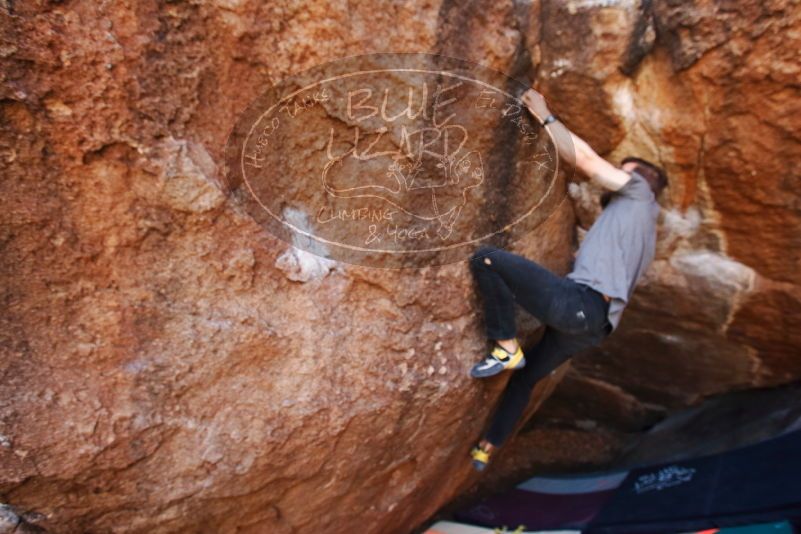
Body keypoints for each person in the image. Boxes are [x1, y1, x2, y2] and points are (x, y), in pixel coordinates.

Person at [468, 88, 667, 471]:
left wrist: (544, 114)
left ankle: (505, 347)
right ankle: (486, 448)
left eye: (623, 170)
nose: (615, 175)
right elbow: (618, 273)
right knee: (525, 381)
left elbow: (589, 162)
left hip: (581, 305)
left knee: (487, 260)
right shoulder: (641, 234)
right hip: (591, 326)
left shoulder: (640, 193)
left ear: (643, 179)